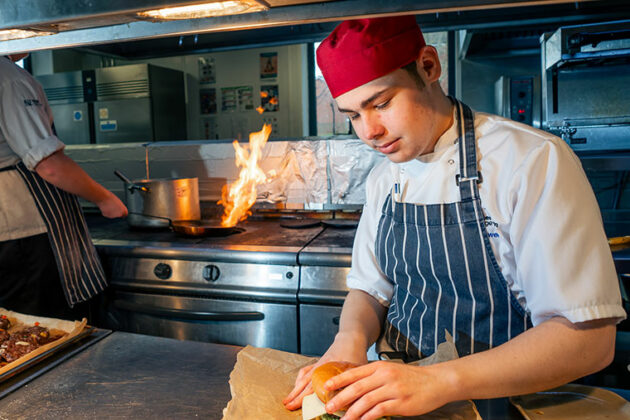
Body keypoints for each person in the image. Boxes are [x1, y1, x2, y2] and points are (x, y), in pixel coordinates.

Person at [283, 15, 626, 419]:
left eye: (382, 103)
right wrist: (349, 340)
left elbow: (588, 341)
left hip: (508, 407)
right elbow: (370, 289)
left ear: (429, 66)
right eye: (353, 115)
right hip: (396, 405)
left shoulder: (530, 161)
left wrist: (439, 381)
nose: (369, 132)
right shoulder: (384, 178)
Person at [0, 53, 128, 320]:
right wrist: (105, 199)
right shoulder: (8, 77)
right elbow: (49, 165)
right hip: (23, 230)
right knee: (43, 327)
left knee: (13, 333)